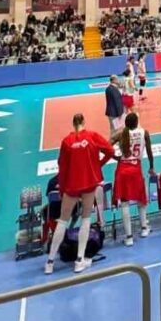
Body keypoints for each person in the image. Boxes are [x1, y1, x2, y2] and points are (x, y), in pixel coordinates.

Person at [46, 114, 114, 274]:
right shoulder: (92, 136)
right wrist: (98, 165)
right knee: (86, 219)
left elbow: (62, 167)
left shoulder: (66, 141)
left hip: (71, 185)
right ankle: (79, 261)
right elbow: (110, 151)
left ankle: (49, 263)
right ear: (84, 122)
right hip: (89, 183)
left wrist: (62, 189)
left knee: (62, 221)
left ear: (73, 124)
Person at [113, 112, 153, 246]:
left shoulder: (121, 134)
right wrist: (151, 166)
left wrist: (116, 157)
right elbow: (149, 151)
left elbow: (106, 147)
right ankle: (144, 229)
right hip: (136, 169)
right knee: (141, 199)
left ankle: (129, 237)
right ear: (137, 122)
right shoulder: (144, 132)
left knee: (124, 203)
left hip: (123, 169)